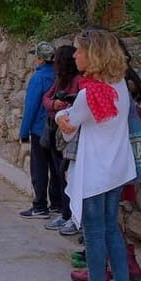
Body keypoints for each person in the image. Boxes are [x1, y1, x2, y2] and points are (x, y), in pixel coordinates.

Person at [56, 29, 137, 281]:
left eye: (79, 50)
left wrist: (58, 116)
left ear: (94, 55)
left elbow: (68, 128)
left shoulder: (88, 94)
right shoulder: (120, 87)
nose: (75, 55)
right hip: (116, 169)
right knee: (111, 228)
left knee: (93, 233)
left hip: (94, 172)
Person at [41, 45, 82, 234]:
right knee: (60, 174)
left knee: (68, 175)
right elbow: (46, 99)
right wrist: (55, 105)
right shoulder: (60, 80)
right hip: (56, 133)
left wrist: (58, 107)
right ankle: (65, 214)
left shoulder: (78, 82)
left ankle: (71, 216)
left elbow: (76, 107)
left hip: (69, 136)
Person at [19, 41, 59, 219]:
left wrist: (23, 132)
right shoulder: (60, 76)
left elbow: (31, 107)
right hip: (57, 128)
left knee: (39, 168)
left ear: (41, 60)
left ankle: (40, 205)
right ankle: (58, 204)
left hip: (38, 130)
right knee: (57, 168)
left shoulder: (38, 78)